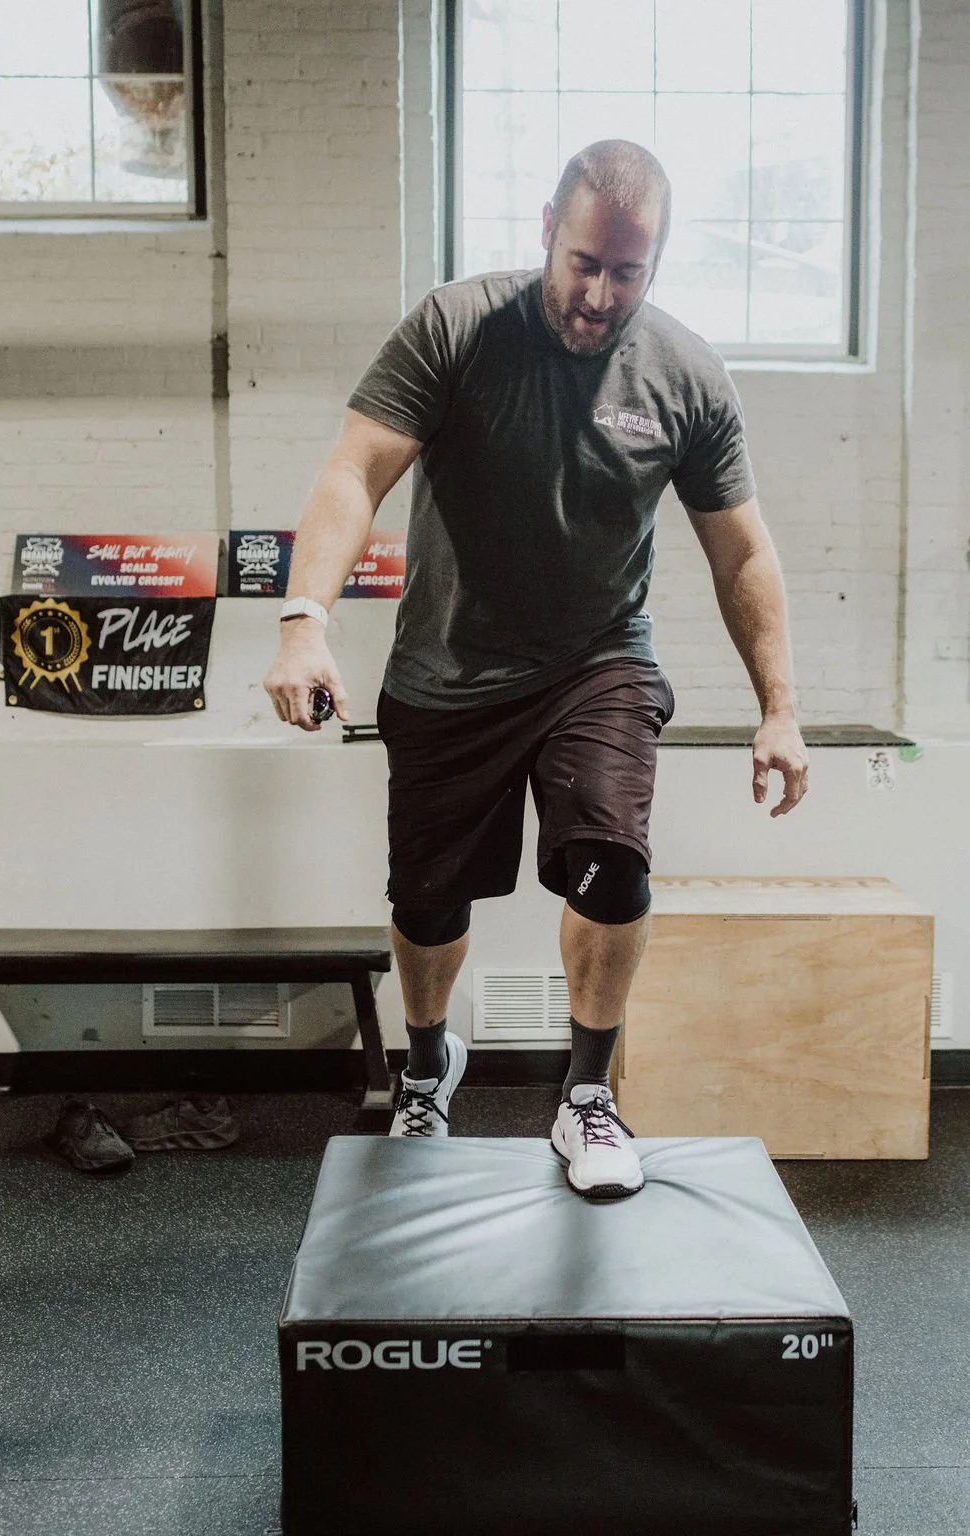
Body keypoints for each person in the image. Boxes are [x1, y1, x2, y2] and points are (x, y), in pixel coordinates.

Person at [263, 140, 809, 1201]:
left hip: (595, 661)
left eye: (626, 273)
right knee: (428, 903)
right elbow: (353, 472)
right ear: (544, 230)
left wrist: (780, 709)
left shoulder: (685, 375)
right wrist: (302, 619)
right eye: (582, 263)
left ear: (656, 264)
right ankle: (427, 1069)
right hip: (448, 669)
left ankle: (588, 1096)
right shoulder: (457, 327)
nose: (598, 294)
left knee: (614, 863)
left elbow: (740, 548)